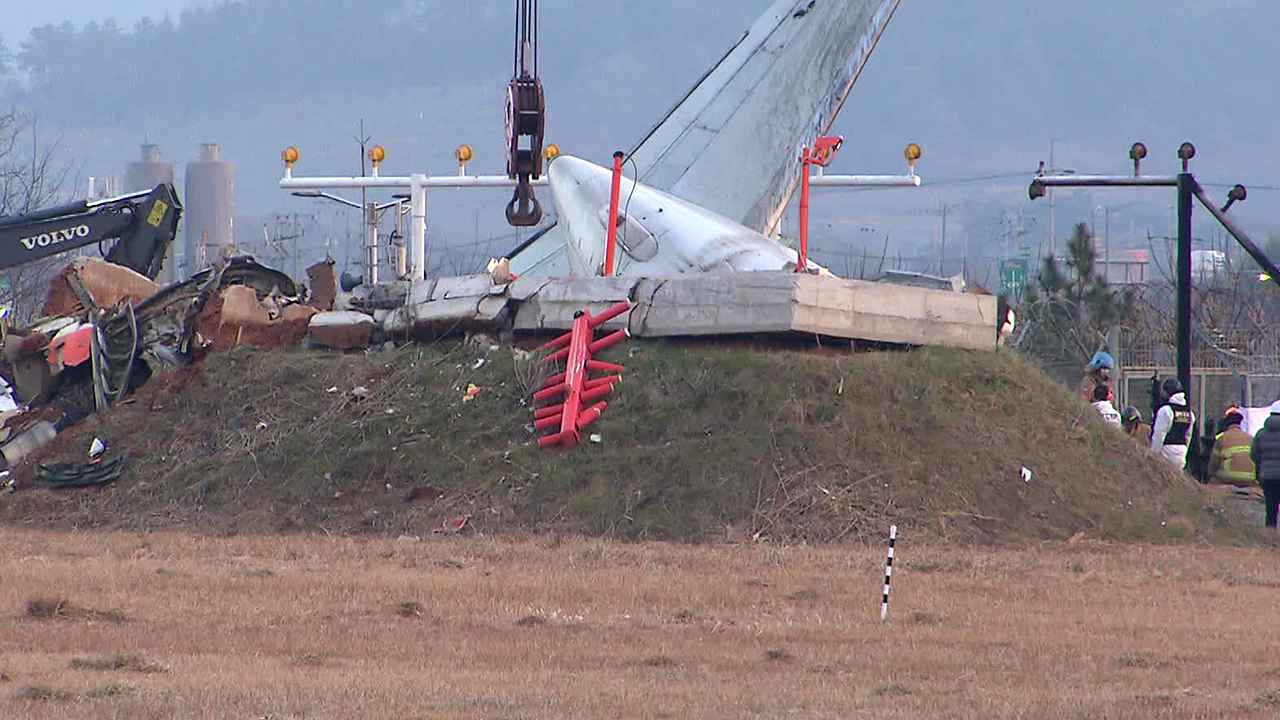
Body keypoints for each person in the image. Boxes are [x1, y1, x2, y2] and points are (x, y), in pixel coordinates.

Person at [1150, 378, 1195, 471]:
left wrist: (1153, 455)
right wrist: (1184, 449)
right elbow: (1188, 435)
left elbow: (1159, 435)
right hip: (1182, 451)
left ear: (1167, 392)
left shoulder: (1165, 411)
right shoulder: (1189, 413)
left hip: (1166, 450)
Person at [1249, 400, 1280, 529]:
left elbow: (1254, 455)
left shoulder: (1261, 434)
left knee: (1270, 508)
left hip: (1267, 476)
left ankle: (1270, 534)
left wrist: (1262, 467)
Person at [1208, 407, 1256, 488]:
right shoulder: (1250, 438)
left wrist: (1210, 476)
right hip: (1250, 478)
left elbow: (1213, 463)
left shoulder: (1222, 438)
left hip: (1228, 478)